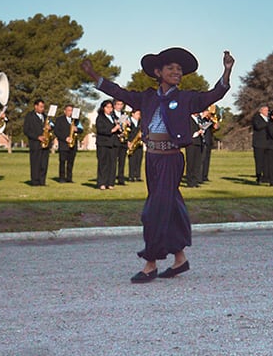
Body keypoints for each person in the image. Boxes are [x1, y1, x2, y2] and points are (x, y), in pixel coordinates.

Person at [82, 47, 233, 283]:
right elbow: (118, 91)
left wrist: (226, 71)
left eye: (179, 69)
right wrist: (93, 74)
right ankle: (180, 259)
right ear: (158, 72)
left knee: (153, 211)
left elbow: (214, 95)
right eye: (171, 68)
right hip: (151, 159)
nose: (177, 72)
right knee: (170, 208)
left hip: (171, 160)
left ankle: (150, 264)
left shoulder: (186, 98)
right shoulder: (147, 97)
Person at [22, 99, 51, 186]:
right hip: (35, 144)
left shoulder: (45, 117)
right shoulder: (29, 116)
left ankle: (42, 181)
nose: (42, 108)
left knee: (44, 164)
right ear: (36, 106)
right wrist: (37, 137)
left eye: (43, 107)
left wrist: (50, 127)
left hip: (45, 144)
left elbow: (52, 125)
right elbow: (26, 130)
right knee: (35, 163)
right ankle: (35, 181)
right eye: (41, 107)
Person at [53, 104, 83, 183]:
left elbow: (81, 129)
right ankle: (62, 178)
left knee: (71, 162)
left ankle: (69, 178)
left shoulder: (76, 120)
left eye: (72, 110)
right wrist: (65, 138)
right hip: (63, 144)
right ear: (65, 111)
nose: (70, 112)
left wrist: (77, 129)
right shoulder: (59, 120)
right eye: (69, 110)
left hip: (73, 144)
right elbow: (56, 131)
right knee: (62, 162)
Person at [95, 100, 120, 190]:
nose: (110, 109)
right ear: (103, 108)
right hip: (103, 143)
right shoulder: (100, 118)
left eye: (111, 107)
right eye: (108, 107)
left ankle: (110, 183)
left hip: (113, 144)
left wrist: (120, 127)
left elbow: (118, 129)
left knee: (112, 164)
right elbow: (100, 130)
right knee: (103, 164)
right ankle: (102, 183)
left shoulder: (114, 118)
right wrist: (112, 130)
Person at [185, 113, 204, 188]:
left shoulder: (198, 120)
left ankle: (195, 181)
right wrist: (195, 133)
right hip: (191, 143)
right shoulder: (188, 119)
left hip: (198, 142)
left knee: (197, 163)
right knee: (190, 162)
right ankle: (190, 182)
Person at [251, 105, 270, 184]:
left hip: (268, 143)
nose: (267, 112)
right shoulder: (256, 118)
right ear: (261, 111)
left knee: (267, 161)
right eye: (265, 110)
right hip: (259, 143)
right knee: (259, 161)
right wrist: (267, 123)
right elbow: (258, 126)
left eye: (267, 110)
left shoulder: (269, 119)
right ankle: (258, 177)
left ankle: (266, 177)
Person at [200, 107, 218, 182]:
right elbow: (202, 127)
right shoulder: (200, 119)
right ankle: (199, 176)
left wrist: (214, 121)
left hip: (209, 140)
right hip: (202, 141)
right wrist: (204, 117)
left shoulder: (209, 120)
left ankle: (205, 176)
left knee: (207, 159)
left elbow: (216, 127)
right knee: (201, 160)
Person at [113, 99, 129, 185]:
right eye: (118, 104)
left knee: (122, 161)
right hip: (115, 139)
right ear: (114, 105)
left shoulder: (124, 114)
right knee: (114, 160)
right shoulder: (112, 114)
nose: (120, 106)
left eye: (121, 104)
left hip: (124, 140)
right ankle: (112, 177)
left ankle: (121, 178)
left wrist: (127, 123)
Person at [126, 109, 143, 182]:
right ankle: (131, 176)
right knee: (132, 160)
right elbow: (126, 132)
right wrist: (128, 142)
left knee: (139, 159)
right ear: (132, 114)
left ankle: (138, 176)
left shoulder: (141, 122)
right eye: (137, 114)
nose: (139, 115)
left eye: (139, 114)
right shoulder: (128, 121)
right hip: (131, 143)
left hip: (139, 143)